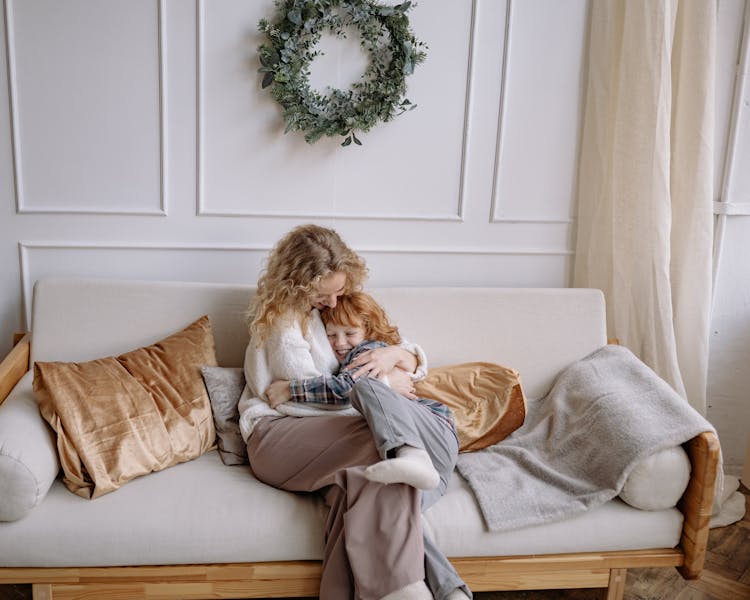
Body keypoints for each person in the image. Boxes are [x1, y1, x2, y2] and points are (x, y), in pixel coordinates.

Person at [237, 224, 471, 600]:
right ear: (298, 284)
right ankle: (428, 584)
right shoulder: (284, 321)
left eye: (339, 292)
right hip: (279, 432)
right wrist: (383, 388)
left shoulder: (333, 311)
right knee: (385, 448)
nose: (332, 303)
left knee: (370, 483)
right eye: (323, 294)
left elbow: (388, 347)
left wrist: (398, 356)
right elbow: (297, 398)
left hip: (333, 434)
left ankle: (435, 592)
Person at [265, 291, 459, 496]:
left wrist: (291, 389)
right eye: (332, 335)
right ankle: (414, 465)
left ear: (368, 330)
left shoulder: (370, 350)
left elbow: (345, 387)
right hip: (437, 459)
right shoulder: (346, 359)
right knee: (397, 503)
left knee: (364, 386)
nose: (340, 343)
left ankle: (412, 455)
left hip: (433, 431)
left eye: (349, 334)